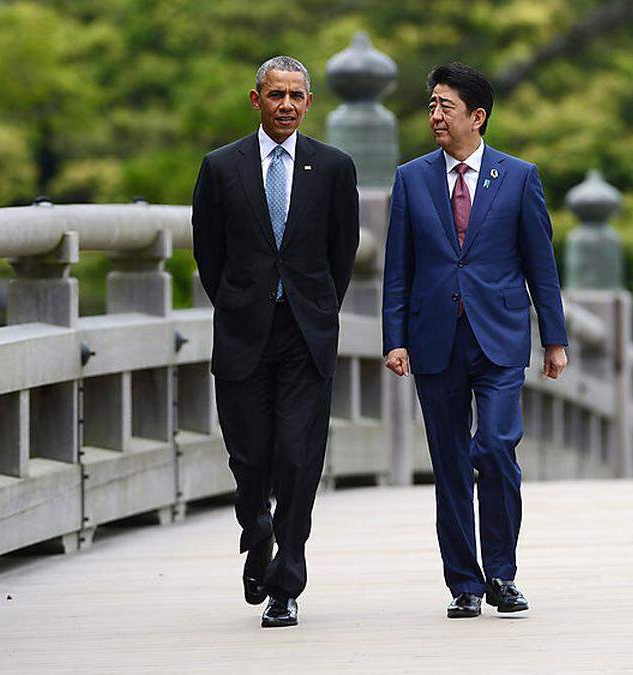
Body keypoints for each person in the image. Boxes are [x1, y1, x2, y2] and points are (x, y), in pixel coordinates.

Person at [381, 62, 568, 618]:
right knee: (450, 463)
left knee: (494, 446)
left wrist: (553, 339)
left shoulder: (518, 176)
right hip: (434, 336)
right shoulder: (411, 178)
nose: (435, 115)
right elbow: (399, 268)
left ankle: (502, 575)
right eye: (431, 104)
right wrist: (395, 337)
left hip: (500, 338)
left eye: (447, 106)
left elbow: (542, 265)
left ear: (477, 116)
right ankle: (464, 583)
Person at [192, 56, 359, 628]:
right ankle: (256, 534)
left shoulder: (334, 167)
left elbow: (343, 252)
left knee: (297, 458)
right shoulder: (220, 168)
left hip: (306, 334)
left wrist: (314, 308)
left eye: (295, 95)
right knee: (250, 459)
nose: (285, 104)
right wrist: (241, 301)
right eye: (275, 95)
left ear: (308, 103)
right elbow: (207, 254)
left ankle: (286, 582)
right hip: (243, 333)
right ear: (255, 99)